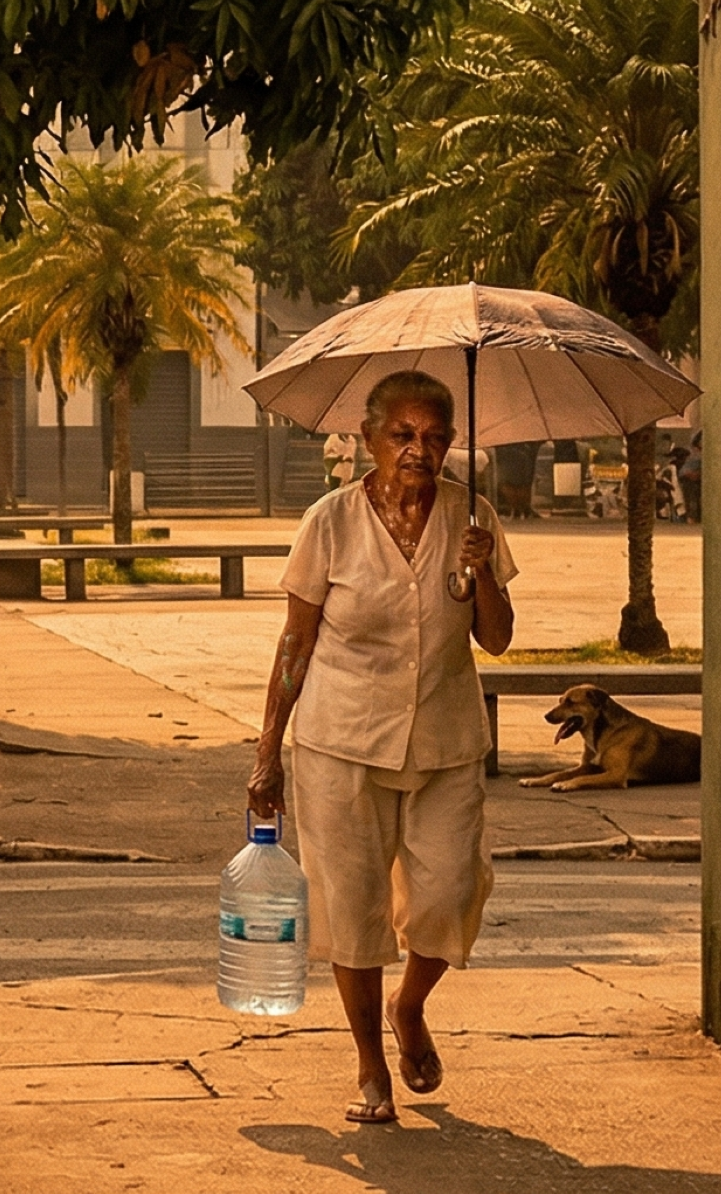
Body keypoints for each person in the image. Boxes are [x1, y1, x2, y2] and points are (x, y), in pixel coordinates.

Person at [248, 370, 515, 1126]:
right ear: (368, 440)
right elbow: (295, 644)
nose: (418, 450)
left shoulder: (474, 516)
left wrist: (484, 568)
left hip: (446, 742)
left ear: (451, 444)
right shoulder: (329, 521)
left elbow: (495, 639)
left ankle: (410, 1005)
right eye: (402, 435)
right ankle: (370, 1066)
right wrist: (267, 753)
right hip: (340, 741)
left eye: (434, 437)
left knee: (449, 894)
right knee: (354, 910)